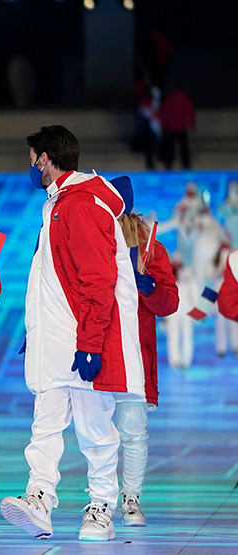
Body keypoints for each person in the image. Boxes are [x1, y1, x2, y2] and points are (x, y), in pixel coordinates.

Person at [0, 126, 144, 542]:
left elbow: (97, 279)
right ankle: (39, 500)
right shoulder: (58, 205)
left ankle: (101, 507)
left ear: (45, 158)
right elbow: (51, 281)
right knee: (44, 425)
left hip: (82, 340)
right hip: (55, 341)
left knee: (94, 427)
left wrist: (91, 343)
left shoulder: (81, 204)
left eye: (32, 158)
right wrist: (38, 330)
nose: (30, 166)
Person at [109, 176, 179, 527]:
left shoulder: (151, 247)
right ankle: (102, 499)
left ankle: (131, 497)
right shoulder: (91, 239)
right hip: (97, 350)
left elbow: (169, 303)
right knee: (98, 433)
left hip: (135, 354)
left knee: (134, 430)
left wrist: (150, 289)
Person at [158, 88, 195, 169]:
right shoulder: (183, 98)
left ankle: (169, 164)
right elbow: (190, 110)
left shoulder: (170, 98)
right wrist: (192, 124)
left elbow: (164, 112)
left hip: (172, 127)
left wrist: (163, 125)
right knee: (183, 147)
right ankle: (186, 164)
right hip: (181, 127)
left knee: (171, 148)